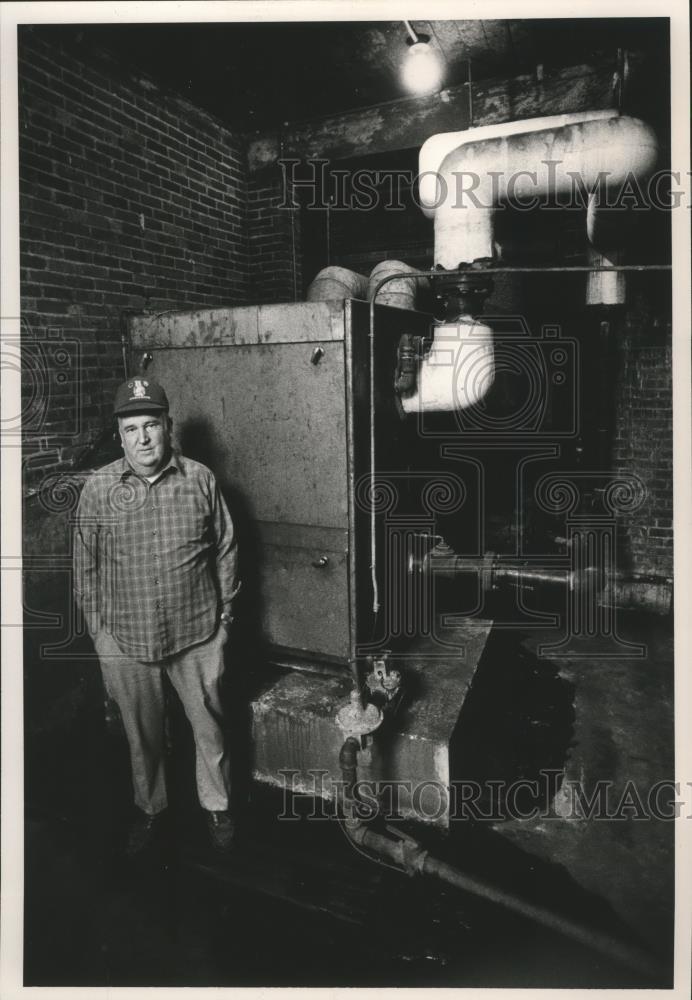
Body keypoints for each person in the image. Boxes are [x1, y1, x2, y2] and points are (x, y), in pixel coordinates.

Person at [73, 377, 240, 855]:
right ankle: (151, 810)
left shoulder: (200, 479)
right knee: (140, 736)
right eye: (131, 429)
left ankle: (218, 806)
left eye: (151, 425)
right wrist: (100, 636)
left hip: (197, 633)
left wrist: (225, 621)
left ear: (168, 426)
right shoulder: (99, 489)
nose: (143, 438)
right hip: (127, 638)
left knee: (210, 730)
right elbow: (85, 565)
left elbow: (226, 549)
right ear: (118, 435)